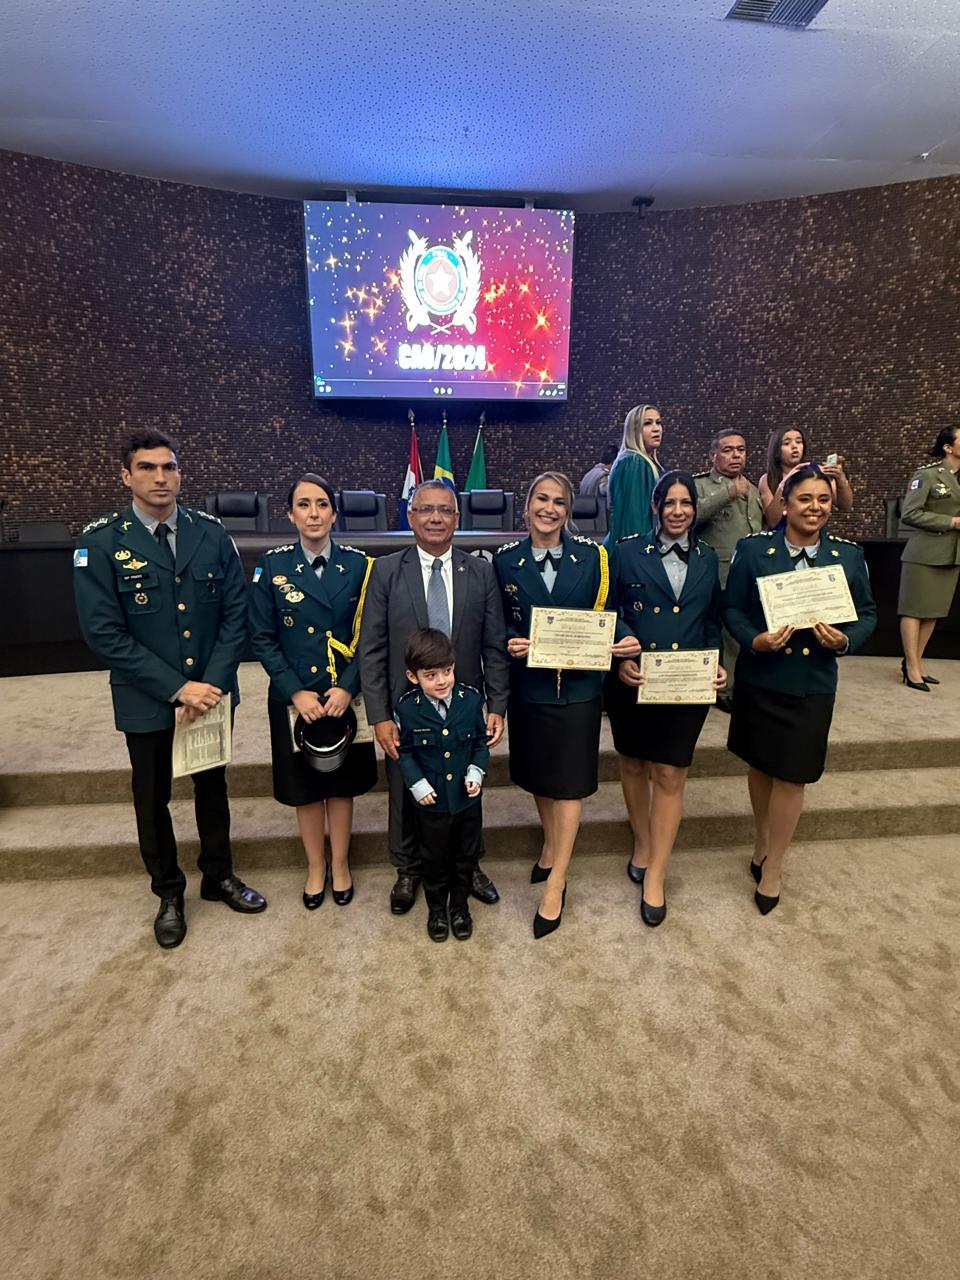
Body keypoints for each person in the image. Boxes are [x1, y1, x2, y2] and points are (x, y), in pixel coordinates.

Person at [73, 430, 266, 948]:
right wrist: (180, 688)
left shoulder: (212, 533)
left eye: (169, 467)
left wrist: (210, 685)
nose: (161, 477)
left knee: (212, 788)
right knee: (151, 797)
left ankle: (218, 875)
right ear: (126, 475)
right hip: (148, 697)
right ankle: (168, 893)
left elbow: (236, 616)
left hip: (211, 694)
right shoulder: (100, 542)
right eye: (147, 468)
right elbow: (104, 634)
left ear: (180, 473)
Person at [723, 465, 876, 915]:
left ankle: (774, 866)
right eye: (805, 498)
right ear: (785, 504)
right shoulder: (754, 549)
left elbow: (867, 613)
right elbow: (733, 608)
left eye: (823, 500)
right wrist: (754, 640)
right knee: (760, 766)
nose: (815, 508)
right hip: (762, 676)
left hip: (812, 681)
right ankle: (762, 840)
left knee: (793, 775)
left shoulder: (847, 556)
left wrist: (845, 640)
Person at [494, 471, 639, 938]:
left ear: (568, 510)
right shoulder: (505, 560)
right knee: (540, 776)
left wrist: (626, 639)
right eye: (541, 499)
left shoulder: (594, 558)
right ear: (527, 506)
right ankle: (551, 846)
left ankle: (557, 882)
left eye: (559, 501)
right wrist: (510, 641)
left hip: (578, 689)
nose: (549, 508)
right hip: (531, 687)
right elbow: (498, 620)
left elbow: (609, 613)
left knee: (570, 784)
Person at [359, 479, 509, 915]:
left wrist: (498, 705)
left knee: (467, 786)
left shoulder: (480, 571)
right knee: (405, 785)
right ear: (411, 516)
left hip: (464, 707)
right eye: (426, 509)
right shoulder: (386, 571)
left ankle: (469, 865)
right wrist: (378, 715)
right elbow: (372, 648)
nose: (436, 518)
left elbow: (494, 645)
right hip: (404, 707)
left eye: (445, 510)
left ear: (457, 519)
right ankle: (408, 869)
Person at [249, 474, 376, 908]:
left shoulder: (359, 565)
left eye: (322, 504)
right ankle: (315, 866)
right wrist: (294, 691)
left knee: (340, 784)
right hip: (295, 697)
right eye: (303, 505)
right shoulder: (272, 566)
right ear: (290, 514)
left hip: (342, 694)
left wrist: (348, 687)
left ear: (334, 514)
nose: (314, 513)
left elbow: (370, 636)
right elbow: (262, 637)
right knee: (304, 787)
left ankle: (340, 864)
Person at [608, 471, 727, 927]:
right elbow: (610, 609)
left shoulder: (707, 557)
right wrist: (622, 654)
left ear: (695, 509)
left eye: (686, 503)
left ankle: (656, 872)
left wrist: (716, 662)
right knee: (634, 764)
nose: (678, 511)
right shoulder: (625, 552)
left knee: (671, 772)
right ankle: (642, 841)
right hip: (635, 678)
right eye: (670, 503)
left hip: (686, 684)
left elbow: (711, 619)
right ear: (655, 507)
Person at [395, 629, 490, 942]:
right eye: (431, 675)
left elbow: (480, 743)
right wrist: (417, 784)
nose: (441, 681)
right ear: (413, 676)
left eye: (447, 671)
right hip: (431, 803)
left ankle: (460, 908)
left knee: (465, 858)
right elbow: (405, 752)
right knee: (434, 861)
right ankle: (437, 911)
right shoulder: (408, 708)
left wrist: (477, 771)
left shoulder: (471, 700)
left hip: (466, 800)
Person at [694, 429, 764, 710]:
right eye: (728, 450)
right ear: (713, 455)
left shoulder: (753, 489)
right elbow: (690, 515)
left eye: (741, 450)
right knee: (721, 634)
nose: (736, 455)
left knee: (740, 633)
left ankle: (739, 685)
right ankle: (724, 690)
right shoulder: (700, 485)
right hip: (717, 573)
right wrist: (727, 493)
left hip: (749, 574)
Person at [898, 424, 960, 690]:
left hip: (952, 553)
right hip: (924, 553)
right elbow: (910, 513)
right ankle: (911, 668)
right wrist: (951, 522)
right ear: (948, 447)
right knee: (914, 610)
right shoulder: (928, 475)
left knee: (933, 611)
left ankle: (916, 662)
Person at [758, 426, 854, 528]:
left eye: (799, 442)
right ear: (777, 450)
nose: (794, 446)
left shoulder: (816, 471)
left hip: (815, 533)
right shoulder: (768, 479)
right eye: (787, 443)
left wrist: (841, 480)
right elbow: (772, 521)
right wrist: (784, 483)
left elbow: (846, 505)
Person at [606, 404, 664, 545]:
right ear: (634, 430)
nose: (656, 428)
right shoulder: (635, 463)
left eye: (658, 422)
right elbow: (635, 522)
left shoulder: (637, 461)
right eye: (647, 423)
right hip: (634, 550)